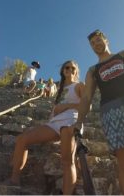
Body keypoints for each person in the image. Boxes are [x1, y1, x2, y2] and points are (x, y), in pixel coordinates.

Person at [74, 30, 124, 195]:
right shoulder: (93, 70)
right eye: (92, 43)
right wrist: (79, 121)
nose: (96, 44)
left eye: (98, 40)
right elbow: (87, 97)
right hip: (111, 111)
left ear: (106, 40)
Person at [7, 60, 85, 195]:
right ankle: (14, 180)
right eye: (67, 67)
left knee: (67, 160)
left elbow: (86, 106)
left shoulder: (79, 86)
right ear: (63, 70)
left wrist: (65, 106)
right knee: (22, 139)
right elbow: (55, 110)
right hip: (53, 124)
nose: (70, 69)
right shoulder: (59, 89)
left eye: (73, 68)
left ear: (76, 71)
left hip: (71, 121)